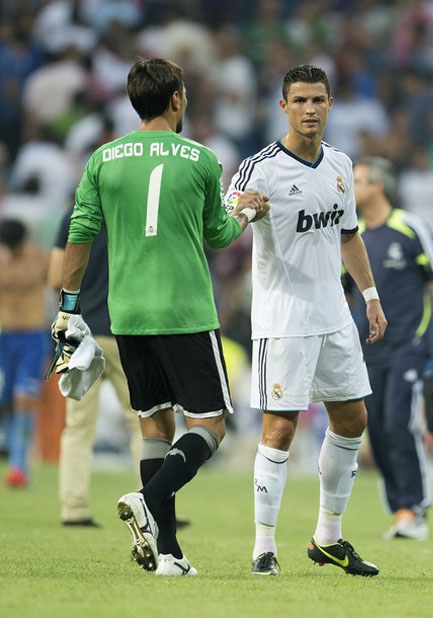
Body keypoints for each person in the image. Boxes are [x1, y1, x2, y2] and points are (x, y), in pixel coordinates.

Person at [50, 58, 269, 576]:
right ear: (176, 100)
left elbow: (79, 232)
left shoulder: (103, 159)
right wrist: (247, 210)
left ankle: (168, 554)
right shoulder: (200, 158)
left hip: (125, 314)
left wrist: (68, 306)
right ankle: (150, 499)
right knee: (210, 425)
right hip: (184, 310)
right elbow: (218, 235)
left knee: (153, 426)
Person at [225, 64, 387, 577]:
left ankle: (328, 538)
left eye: (318, 100)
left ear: (331, 104)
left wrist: (371, 295)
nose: (310, 110)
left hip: (334, 316)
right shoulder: (261, 168)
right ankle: (264, 547)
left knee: (352, 419)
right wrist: (242, 211)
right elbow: (228, 224)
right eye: (299, 101)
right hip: (283, 318)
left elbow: (348, 235)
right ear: (283, 107)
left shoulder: (340, 163)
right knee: (280, 428)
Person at [351, 156, 433, 540]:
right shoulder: (353, 235)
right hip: (367, 350)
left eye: (358, 180)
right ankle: (399, 508)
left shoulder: (410, 227)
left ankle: (414, 508)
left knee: (400, 422)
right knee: (377, 429)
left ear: (378, 185)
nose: (351, 187)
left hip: (408, 346)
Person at [49, 210, 142, 526]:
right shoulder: (133, 213)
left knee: (77, 426)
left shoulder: (72, 217)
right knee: (143, 421)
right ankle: (152, 502)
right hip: (127, 332)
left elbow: (53, 278)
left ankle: (74, 508)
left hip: (78, 332)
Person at [0, 219, 49, 487]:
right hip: (5, 338)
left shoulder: (38, 261)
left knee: (23, 398)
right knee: (7, 400)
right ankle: (14, 454)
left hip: (32, 337)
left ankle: (19, 464)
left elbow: (59, 283)